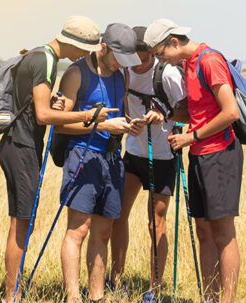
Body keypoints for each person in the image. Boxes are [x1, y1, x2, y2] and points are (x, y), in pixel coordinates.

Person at [0, 15, 115, 303]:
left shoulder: (38, 53)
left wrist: (55, 105)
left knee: (23, 221)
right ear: (75, 44)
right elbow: (42, 116)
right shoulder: (47, 61)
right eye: (84, 49)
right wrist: (87, 116)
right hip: (22, 147)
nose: (84, 56)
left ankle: (14, 291)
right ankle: (12, 296)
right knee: (22, 223)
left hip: (18, 145)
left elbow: (37, 105)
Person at [55, 23, 162, 302]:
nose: (120, 65)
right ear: (103, 48)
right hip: (83, 157)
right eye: (117, 59)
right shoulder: (76, 73)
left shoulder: (122, 74)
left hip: (114, 160)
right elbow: (60, 126)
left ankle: (98, 296)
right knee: (78, 230)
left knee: (103, 231)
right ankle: (73, 297)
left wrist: (129, 125)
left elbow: (119, 114)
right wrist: (101, 127)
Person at [145, 19, 243, 303]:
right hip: (200, 155)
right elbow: (196, 111)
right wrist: (166, 115)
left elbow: (230, 112)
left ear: (174, 42)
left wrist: (191, 137)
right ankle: (209, 298)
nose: (159, 60)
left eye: (159, 54)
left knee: (223, 233)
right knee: (203, 231)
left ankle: (226, 300)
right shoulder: (188, 65)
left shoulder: (210, 60)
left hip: (220, 154)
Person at [109, 26, 188, 302]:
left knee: (156, 223)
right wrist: (130, 123)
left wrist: (163, 113)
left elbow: (188, 110)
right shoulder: (125, 71)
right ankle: (114, 282)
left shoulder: (165, 73)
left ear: (152, 54)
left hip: (163, 156)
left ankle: (154, 290)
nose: (138, 65)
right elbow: (124, 104)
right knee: (117, 215)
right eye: (134, 59)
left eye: (144, 59)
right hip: (133, 152)